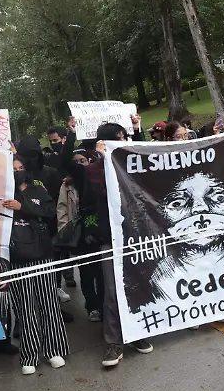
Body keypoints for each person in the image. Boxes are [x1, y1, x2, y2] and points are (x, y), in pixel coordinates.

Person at [62, 118, 153, 367]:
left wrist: (139, 130)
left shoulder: (131, 163)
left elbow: (151, 161)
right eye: (119, 137)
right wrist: (72, 137)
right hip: (109, 239)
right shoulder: (91, 172)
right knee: (113, 291)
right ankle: (114, 342)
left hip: (137, 235)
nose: (124, 141)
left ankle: (138, 333)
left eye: (125, 137)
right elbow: (64, 164)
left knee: (138, 286)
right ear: (104, 143)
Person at [5, 156, 69, 375]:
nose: (18, 172)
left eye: (21, 167)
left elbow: (49, 212)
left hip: (41, 254)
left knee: (48, 303)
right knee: (25, 307)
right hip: (15, 258)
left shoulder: (37, 190)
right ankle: (29, 355)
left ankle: (53, 350)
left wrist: (23, 207)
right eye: (13, 169)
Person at [16, 138, 71, 299]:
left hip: (48, 227)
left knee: (52, 263)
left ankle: (55, 288)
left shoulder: (50, 172)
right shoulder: (16, 174)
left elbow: (55, 202)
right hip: (23, 231)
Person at [56, 147, 91, 318]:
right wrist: (64, 228)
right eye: (75, 162)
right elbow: (62, 207)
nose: (79, 164)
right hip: (77, 235)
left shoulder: (97, 178)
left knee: (99, 271)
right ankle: (91, 306)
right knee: (85, 271)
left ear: (89, 161)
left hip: (95, 233)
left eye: (82, 161)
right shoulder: (67, 185)